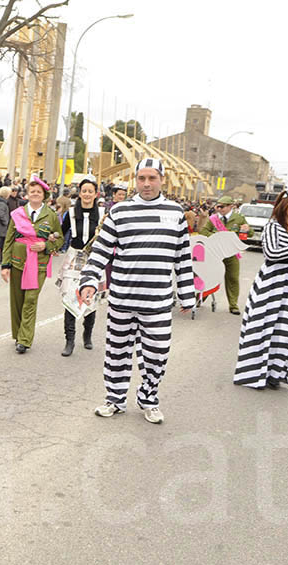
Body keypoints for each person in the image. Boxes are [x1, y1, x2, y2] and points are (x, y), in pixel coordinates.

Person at [78, 158, 195, 424]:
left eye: (152, 178)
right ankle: (115, 399)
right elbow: (100, 252)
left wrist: (187, 295)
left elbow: (183, 258)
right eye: (141, 178)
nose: (146, 184)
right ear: (135, 180)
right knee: (117, 353)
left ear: (162, 180)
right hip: (122, 298)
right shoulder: (120, 212)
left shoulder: (175, 213)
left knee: (158, 354)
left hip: (158, 303)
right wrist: (88, 281)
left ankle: (148, 398)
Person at [233, 188, 288, 389]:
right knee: (263, 325)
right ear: (285, 206)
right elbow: (272, 254)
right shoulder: (273, 227)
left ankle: (276, 372)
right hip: (272, 280)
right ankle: (255, 373)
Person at [1, 179, 64, 354]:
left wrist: (47, 246)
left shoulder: (51, 215)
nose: (35, 194)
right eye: (32, 191)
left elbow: (60, 239)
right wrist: (5, 265)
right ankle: (18, 334)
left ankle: (24, 340)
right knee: (17, 300)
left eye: (39, 192)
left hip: (39, 264)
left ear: (44, 196)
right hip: (17, 261)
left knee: (30, 299)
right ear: (27, 194)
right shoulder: (17, 214)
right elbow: (9, 240)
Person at [58, 178, 105, 356]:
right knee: (70, 297)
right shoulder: (71, 213)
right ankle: (69, 340)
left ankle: (88, 334)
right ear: (80, 193)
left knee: (90, 298)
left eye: (90, 191)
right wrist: (52, 243)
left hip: (94, 259)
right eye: (84, 191)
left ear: (95, 194)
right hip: (74, 257)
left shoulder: (102, 213)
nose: (86, 194)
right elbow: (61, 232)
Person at [199, 196, 249, 315]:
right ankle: (199, 299)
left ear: (231, 206)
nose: (219, 209)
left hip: (231, 253)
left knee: (232, 278)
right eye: (218, 206)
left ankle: (233, 305)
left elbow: (249, 233)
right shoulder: (213, 219)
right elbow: (204, 231)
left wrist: (246, 229)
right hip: (216, 253)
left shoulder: (239, 218)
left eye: (222, 206)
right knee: (208, 276)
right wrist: (218, 235)